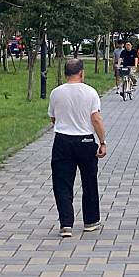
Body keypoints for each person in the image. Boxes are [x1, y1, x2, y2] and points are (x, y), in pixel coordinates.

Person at [48, 59, 107, 238]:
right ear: (82, 72)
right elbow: (96, 118)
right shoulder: (90, 92)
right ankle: (90, 221)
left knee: (62, 183)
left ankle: (66, 223)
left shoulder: (56, 93)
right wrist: (102, 141)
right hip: (86, 141)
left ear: (66, 74)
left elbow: (53, 118)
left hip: (62, 141)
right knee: (89, 181)